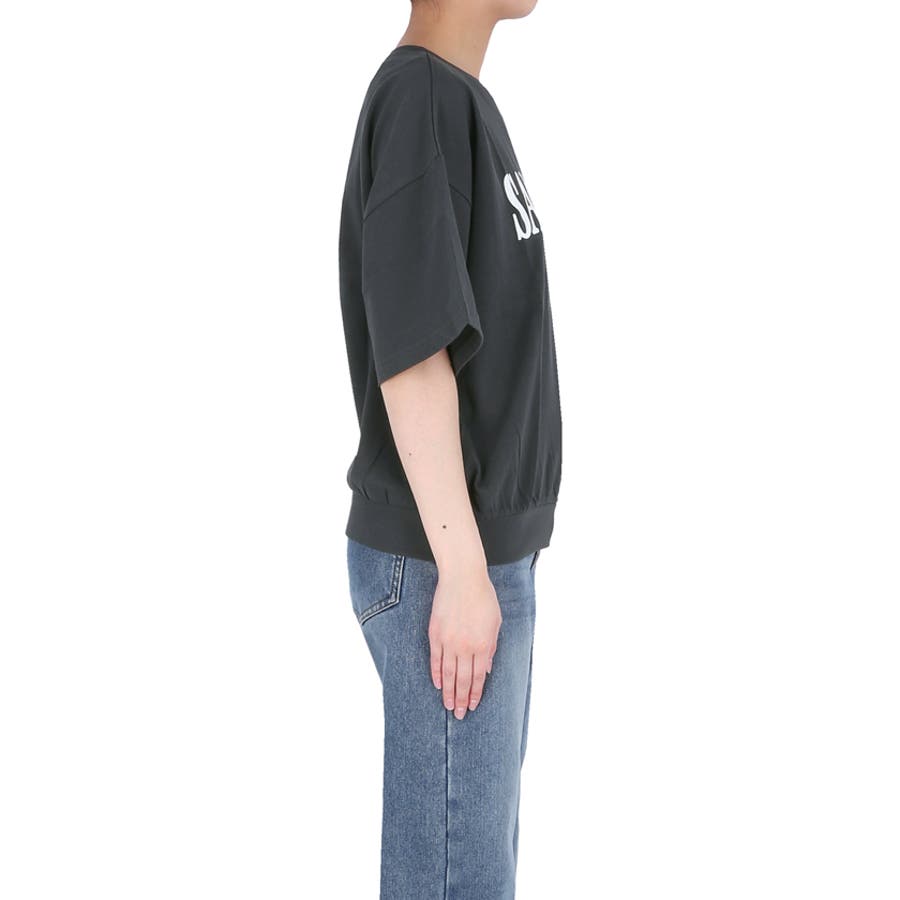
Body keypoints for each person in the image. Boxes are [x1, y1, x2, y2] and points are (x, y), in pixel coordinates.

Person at [337, 0, 562, 896]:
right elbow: (413, 351)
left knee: (471, 871)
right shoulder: (421, 98)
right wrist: (464, 570)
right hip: (445, 563)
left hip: (469, 560)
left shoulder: (455, 99)